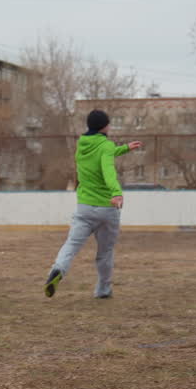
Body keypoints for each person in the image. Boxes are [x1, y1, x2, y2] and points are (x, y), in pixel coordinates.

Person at [43, 110, 142, 299]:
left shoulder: (82, 144)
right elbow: (107, 169)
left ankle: (58, 269)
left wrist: (125, 148)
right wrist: (116, 192)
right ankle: (103, 289)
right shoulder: (105, 145)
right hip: (106, 208)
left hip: (84, 207)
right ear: (104, 126)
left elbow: (105, 154)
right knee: (105, 253)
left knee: (71, 244)